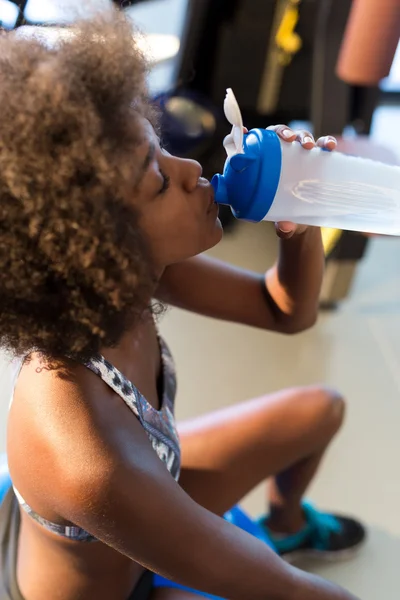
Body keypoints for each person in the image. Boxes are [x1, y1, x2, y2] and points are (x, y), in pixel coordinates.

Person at [0, 10, 365, 600]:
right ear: (96, 245)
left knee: (319, 409)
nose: (193, 170)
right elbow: (280, 590)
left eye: (161, 150)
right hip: (118, 585)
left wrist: (298, 224)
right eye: (159, 181)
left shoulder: (133, 275)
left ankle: (288, 525)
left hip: (152, 487)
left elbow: (284, 311)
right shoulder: (81, 453)